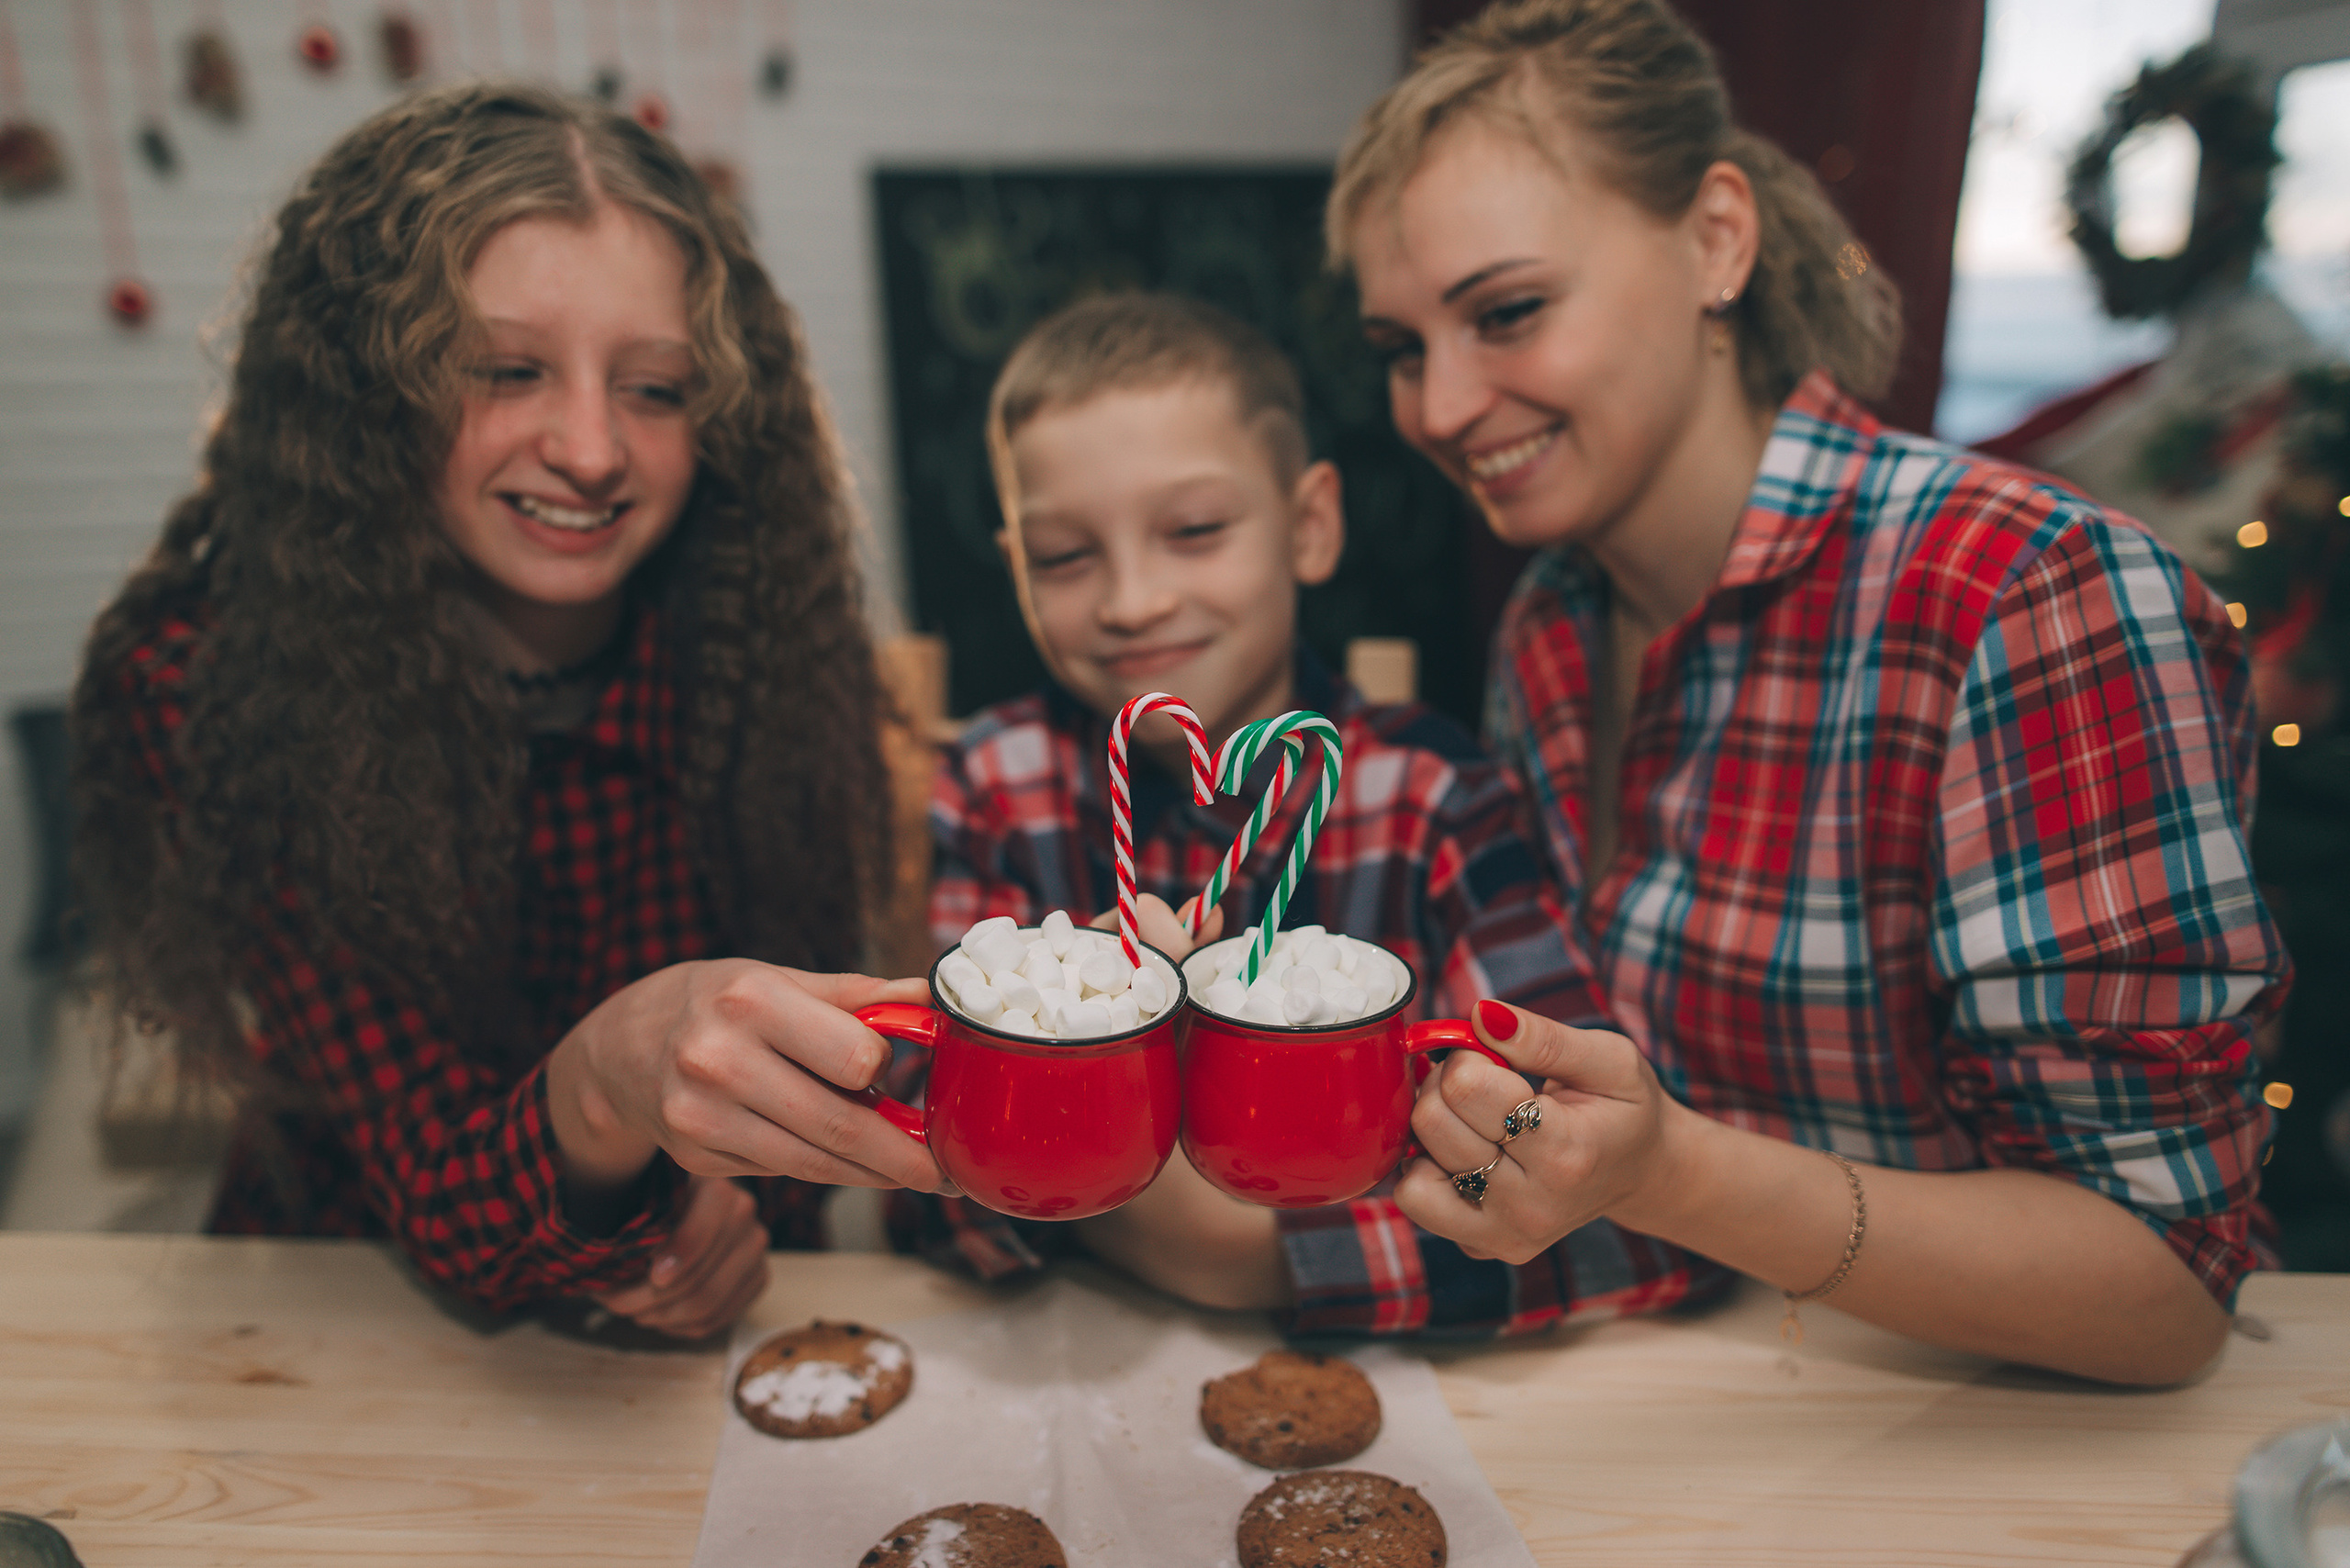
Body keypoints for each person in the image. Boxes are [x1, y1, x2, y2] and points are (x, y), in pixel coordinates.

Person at [1327, 0, 2288, 1383]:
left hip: (1991, 1443)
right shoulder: (1554, 615)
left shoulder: (2029, 590)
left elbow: (2164, 1287)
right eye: (1402, 348)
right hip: (1683, 1387)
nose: (1439, 406)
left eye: (1508, 311)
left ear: (1716, 240)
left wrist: (1673, 1175)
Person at [70, 82, 948, 1340]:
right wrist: (609, 1077)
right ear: (367, 391)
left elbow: (772, 1152)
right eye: (505, 371)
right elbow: (428, 1176)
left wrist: (715, 1217)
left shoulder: (760, 648)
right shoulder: (207, 689)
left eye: (656, 388)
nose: (590, 448)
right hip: (347, 1327)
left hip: (711, 1333)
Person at [916, 289, 1726, 1336]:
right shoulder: (991, 781)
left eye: (1194, 530)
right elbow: (941, 1186)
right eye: (1064, 556)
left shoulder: (1431, 793)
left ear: (1309, 525)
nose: (1130, 599)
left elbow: (1591, 1197)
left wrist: (1212, 1242)